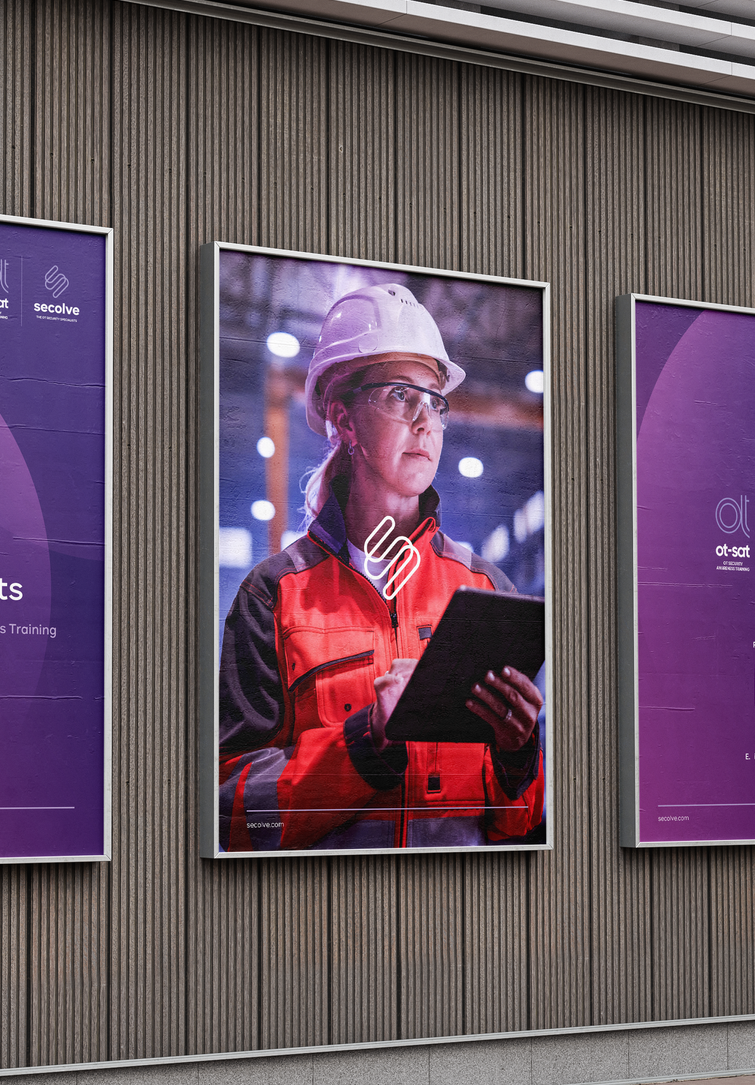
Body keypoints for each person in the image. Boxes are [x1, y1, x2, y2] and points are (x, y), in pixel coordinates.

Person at [218, 282, 546, 851]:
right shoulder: (273, 597)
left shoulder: (486, 589)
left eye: (435, 401)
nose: (426, 420)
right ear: (344, 420)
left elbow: (519, 831)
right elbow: (237, 822)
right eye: (401, 395)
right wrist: (364, 743)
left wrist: (519, 759)